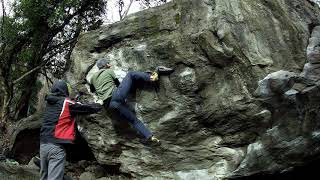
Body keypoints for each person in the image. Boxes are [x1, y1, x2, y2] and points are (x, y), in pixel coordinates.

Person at [90, 58, 173, 145]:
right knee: (130, 74)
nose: (110, 65)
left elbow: (92, 90)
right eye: (108, 63)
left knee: (134, 121)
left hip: (109, 106)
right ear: (105, 65)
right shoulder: (109, 71)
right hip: (116, 97)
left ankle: (150, 137)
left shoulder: (93, 78)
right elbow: (118, 84)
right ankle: (152, 77)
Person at [40, 80, 102, 180]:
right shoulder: (66, 103)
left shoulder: (49, 103)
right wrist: (99, 105)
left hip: (43, 145)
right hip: (56, 146)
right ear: (65, 90)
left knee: (44, 177)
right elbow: (85, 108)